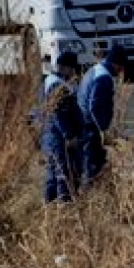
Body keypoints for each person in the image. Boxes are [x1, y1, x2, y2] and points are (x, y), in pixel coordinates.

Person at [77, 45, 127, 188]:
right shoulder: (104, 78)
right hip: (91, 127)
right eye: (120, 67)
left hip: (84, 124)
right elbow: (95, 107)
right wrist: (103, 130)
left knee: (90, 162)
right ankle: (90, 197)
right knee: (93, 165)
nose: (121, 71)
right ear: (115, 63)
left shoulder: (94, 70)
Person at [39, 52, 84, 203]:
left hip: (51, 135)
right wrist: (69, 135)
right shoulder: (57, 86)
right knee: (63, 173)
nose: (73, 73)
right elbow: (59, 114)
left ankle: (49, 207)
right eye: (72, 69)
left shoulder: (50, 80)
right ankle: (64, 208)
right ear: (65, 68)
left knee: (53, 172)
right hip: (59, 137)